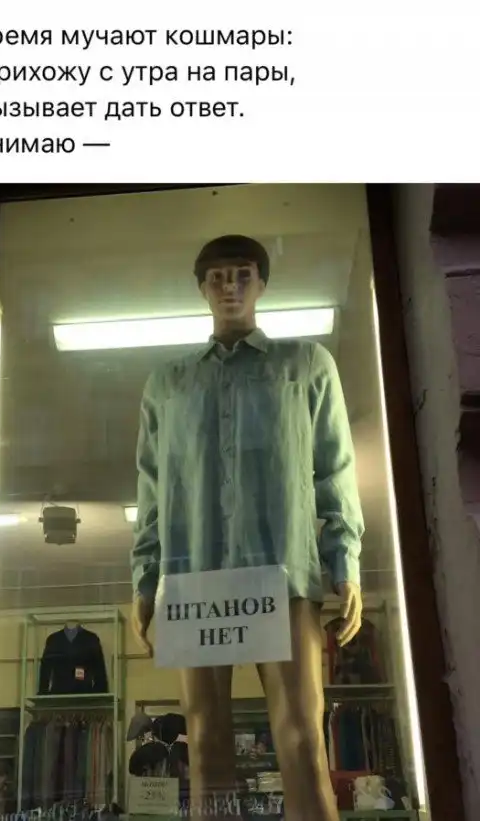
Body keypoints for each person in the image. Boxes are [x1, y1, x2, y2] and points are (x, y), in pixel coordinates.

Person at [131, 235, 365, 821]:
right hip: (193, 577)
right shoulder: (167, 383)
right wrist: (145, 578)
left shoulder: (306, 365)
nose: (229, 286)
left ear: (261, 283)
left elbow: (334, 469)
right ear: (201, 288)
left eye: (241, 274)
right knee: (205, 741)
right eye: (216, 276)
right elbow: (152, 488)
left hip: (282, 573)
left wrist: (345, 562)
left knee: (302, 738)